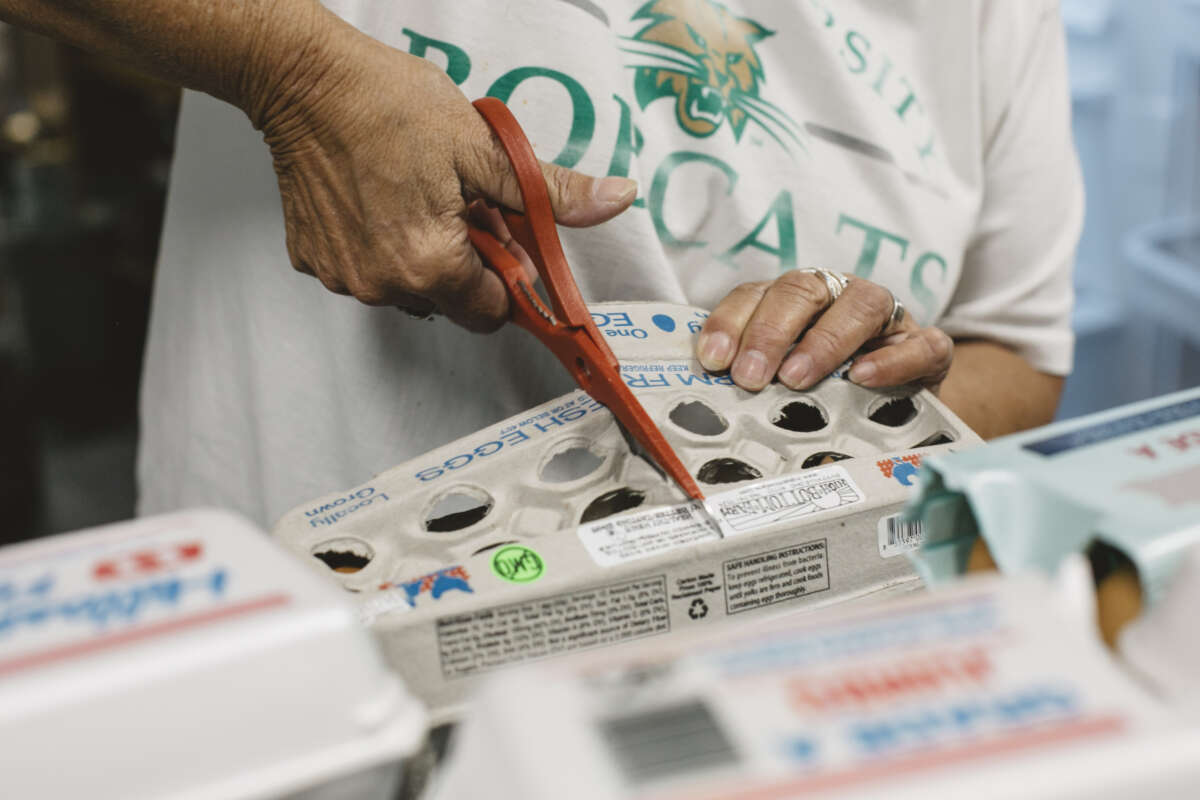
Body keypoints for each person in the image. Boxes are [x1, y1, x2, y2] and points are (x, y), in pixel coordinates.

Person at [0, 0, 1081, 528]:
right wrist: (292, 71)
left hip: (767, 681)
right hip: (305, 637)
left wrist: (865, 385)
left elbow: (1019, 362)